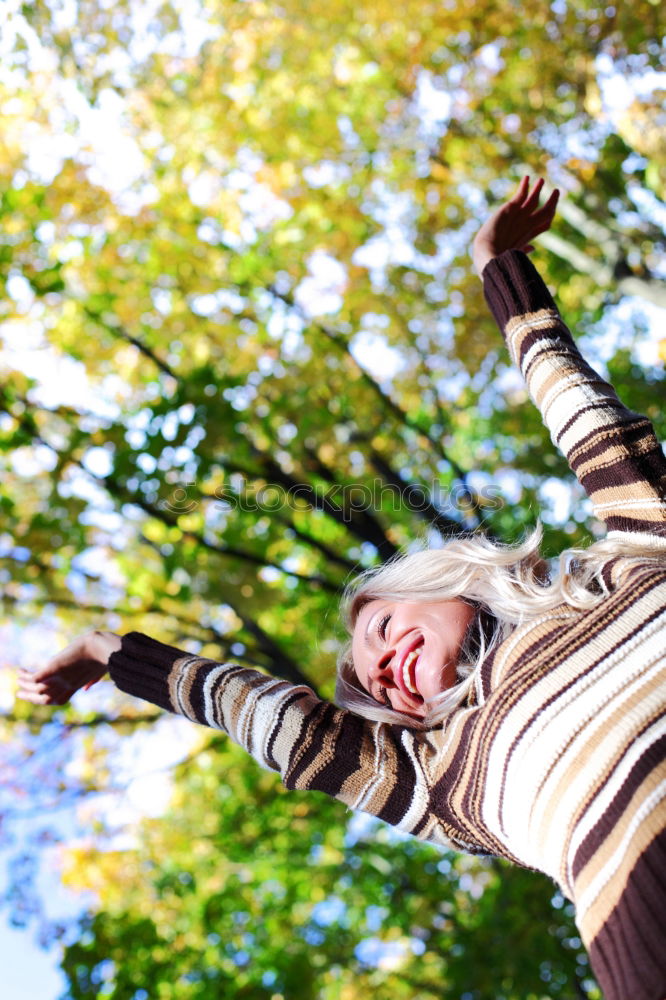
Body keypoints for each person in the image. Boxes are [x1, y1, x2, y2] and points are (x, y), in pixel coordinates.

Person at [17, 178, 666, 1000]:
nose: (379, 669)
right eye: (372, 689)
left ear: (442, 580)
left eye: (381, 629)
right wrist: (112, 655)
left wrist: (498, 269)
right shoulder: (438, 776)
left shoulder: (633, 555)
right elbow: (256, 710)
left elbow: (587, 419)